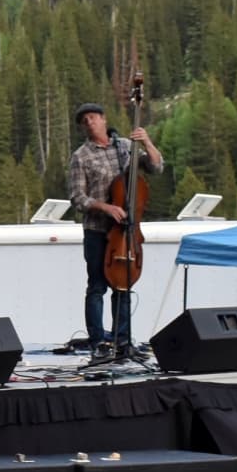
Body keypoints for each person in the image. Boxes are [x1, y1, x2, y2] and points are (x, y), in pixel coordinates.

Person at [67, 101, 162, 361]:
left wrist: (147, 143)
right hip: (98, 230)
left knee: (123, 285)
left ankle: (123, 341)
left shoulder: (124, 146)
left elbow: (155, 167)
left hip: (128, 231)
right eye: (84, 120)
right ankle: (99, 342)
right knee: (97, 286)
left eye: (93, 117)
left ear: (103, 119)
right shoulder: (81, 156)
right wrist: (106, 208)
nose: (90, 122)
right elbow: (77, 198)